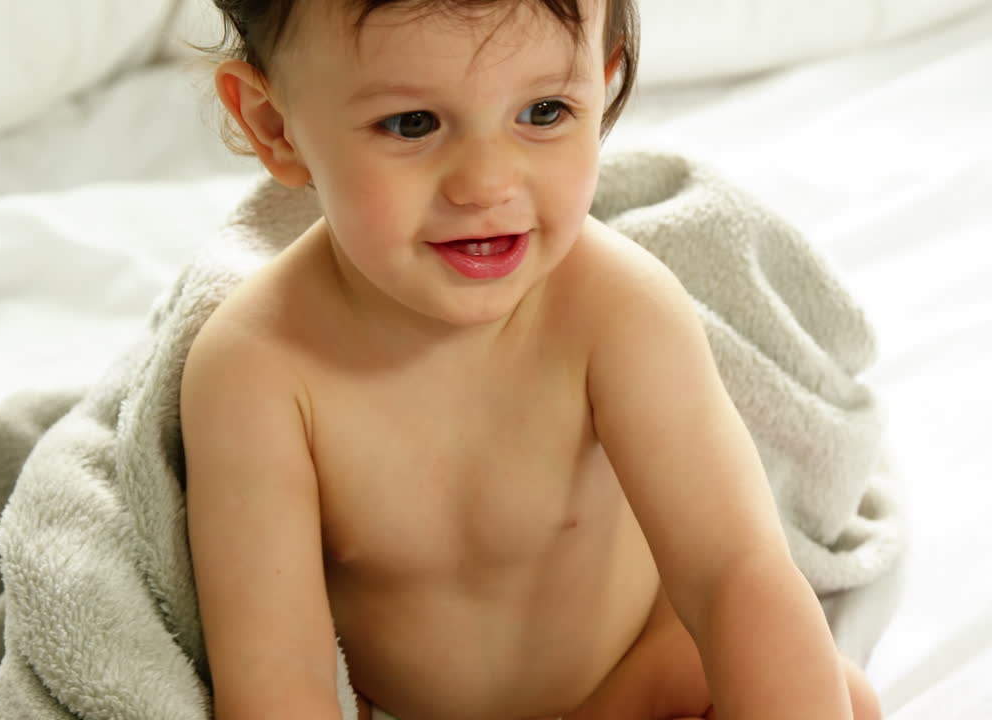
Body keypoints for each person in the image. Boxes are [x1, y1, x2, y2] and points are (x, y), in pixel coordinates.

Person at [180, 1, 882, 718]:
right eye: (412, 124)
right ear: (275, 127)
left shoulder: (616, 311)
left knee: (830, 694)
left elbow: (735, 571)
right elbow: (279, 686)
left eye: (544, 111)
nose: (487, 185)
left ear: (602, 87)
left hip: (634, 675)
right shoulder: (259, 371)